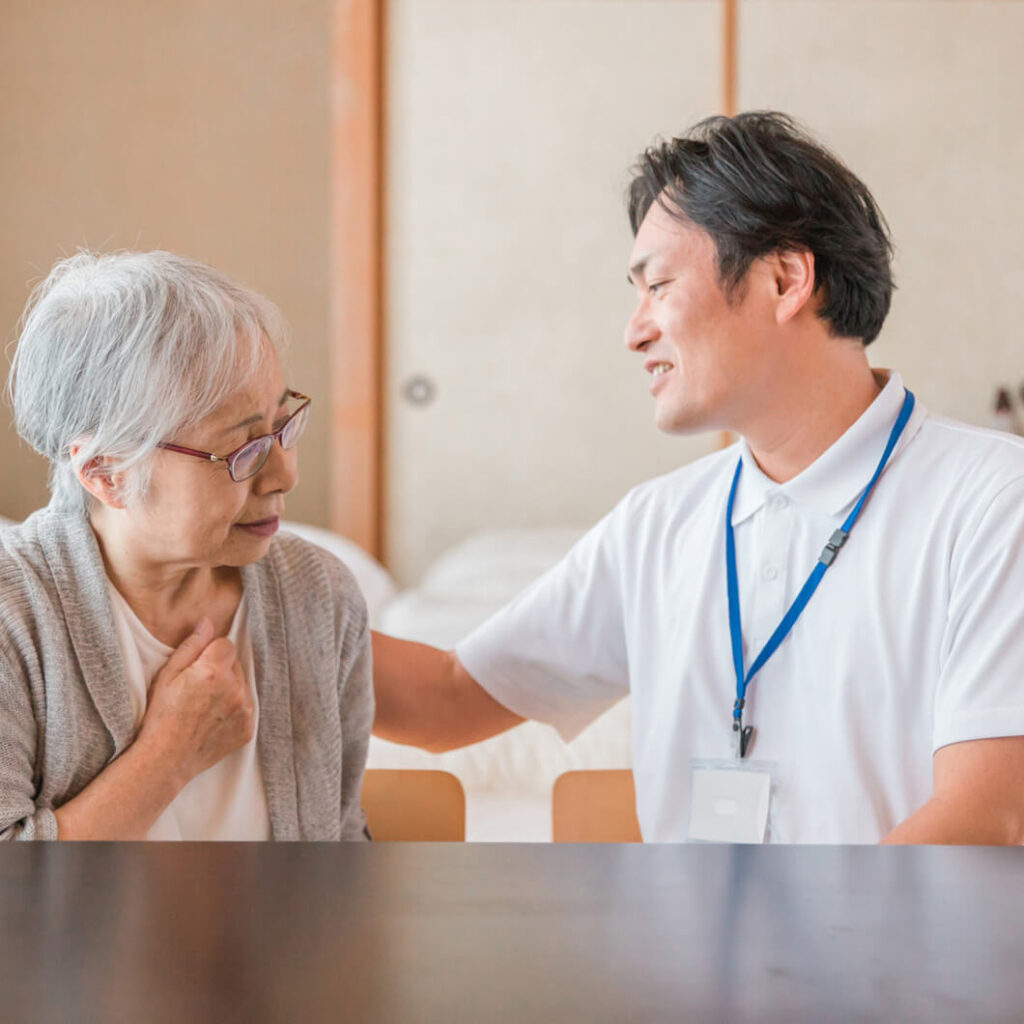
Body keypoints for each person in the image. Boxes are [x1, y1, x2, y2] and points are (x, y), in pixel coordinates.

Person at [373, 111, 1024, 845]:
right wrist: (255, 596)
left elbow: (986, 817)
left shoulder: (995, 502)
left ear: (784, 279)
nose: (634, 330)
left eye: (657, 286)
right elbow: (450, 699)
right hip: (689, 959)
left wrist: (802, 962)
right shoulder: (661, 519)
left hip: (895, 960)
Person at [0, 251, 372, 840]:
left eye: (283, 426)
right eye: (244, 449)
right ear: (106, 473)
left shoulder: (318, 594)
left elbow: (343, 846)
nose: (283, 475)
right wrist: (168, 756)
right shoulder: (13, 618)